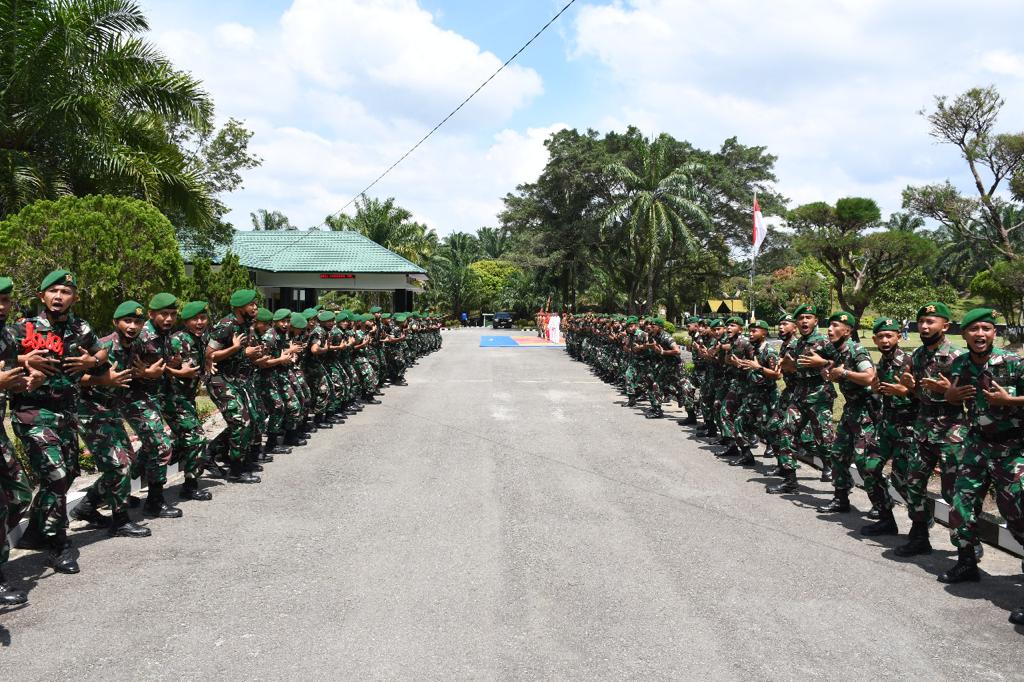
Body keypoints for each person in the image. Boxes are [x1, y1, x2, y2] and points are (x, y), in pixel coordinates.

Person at [12, 270, 105, 574]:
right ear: (41, 296)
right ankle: (57, 544)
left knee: (70, 471)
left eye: (65, 291)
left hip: (66, 412)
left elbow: (101, 350)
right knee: (56, 475)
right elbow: (5, 357)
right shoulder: (23, 329)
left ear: (73, 298)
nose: (58, 296)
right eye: (52, 291)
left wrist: (93, 361)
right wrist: (26, 362)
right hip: (33, 412)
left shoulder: (81, 327)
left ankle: (36, 532)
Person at [937, 309, 1024, 602]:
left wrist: (1009, 400)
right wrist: (949, 395)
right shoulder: (960, 363)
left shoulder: (1013, 362)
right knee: (960, 505)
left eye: (986, 328)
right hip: (976, 445)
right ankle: (966, 563)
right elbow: (951, 392)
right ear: (964, 335)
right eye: (973, 329)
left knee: (1018, 514)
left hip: (1011, 448)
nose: (980, 334)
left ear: (994, 333)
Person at [73, 301, 152, 537]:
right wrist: (103, 380)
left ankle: (86, 506)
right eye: (127, 321)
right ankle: (120, 521)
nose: (132, 326)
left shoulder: (135, 346)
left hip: (110, 410)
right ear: (115, 323)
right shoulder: (104, 346)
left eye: (137, 322)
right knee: (119, 465)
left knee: (126, 459)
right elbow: (76, 377)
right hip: (89, 411)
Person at [894, 302, 966, 557]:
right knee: (912, 483)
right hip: (923, 429)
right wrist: (909, 386)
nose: (924, 327)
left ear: (945, 325)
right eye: (921, 322)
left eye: (930, 322)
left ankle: (968, 546)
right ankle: (920, 535)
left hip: (951, 431)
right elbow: (916, 394)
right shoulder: (917, 356)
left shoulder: (959, 357)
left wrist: (946, 392)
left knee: (953, 491)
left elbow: (970, 398)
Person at [767, 304, 838, 495]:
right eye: (801, 318)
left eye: (809, 317)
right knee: (785, 430)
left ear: (816, 321)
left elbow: (840, 362)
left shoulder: (825, 342)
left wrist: (822, 363)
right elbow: (794, 367)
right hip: (799, 394)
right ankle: (790, 481)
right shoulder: (797, 344)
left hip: (820, 394)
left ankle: (832, 469)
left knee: (824, 438)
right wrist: (787, 365)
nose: (804, 321)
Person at [816, 311, 878, 515]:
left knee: (863, 460)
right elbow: (837, 372)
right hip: (850, 410)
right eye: (829, 326)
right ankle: (841, 498)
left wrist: (842, 373)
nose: (830, 330)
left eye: (835, 326)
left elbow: (869, 376)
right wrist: (830, 372)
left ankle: (880, 505)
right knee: (838, 455)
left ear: (848, 330)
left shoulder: (856, 350)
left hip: (865, 412)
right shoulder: (837, 351)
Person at [0, 277, 37, 604]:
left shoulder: (8, 335)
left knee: (20, 494)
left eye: (5, 299)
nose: (1, 306)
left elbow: (12, 375)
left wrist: (26, 380)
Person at [205, 289, 262, 484]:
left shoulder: (245, 324)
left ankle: (214, 454)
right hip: (219, 379)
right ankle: (237, 470)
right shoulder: (225, 325)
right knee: (241, 421)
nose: (255, 307)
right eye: (251, 304)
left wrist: (249, 353)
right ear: (240, 307)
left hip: (236, 379)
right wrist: (237, 349)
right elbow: (210, 354)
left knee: (249, 419)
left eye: (256, 304)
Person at [168, 301, 216, 500]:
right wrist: (179, 371)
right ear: (186, 321)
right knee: (196, 438)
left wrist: (208, 365)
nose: (199, 322)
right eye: (194, 319)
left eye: (203, 318)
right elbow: (160, 368)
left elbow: (205, 357)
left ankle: (123, 488)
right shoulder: (176, 341)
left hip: (186, 398)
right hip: (171, 398)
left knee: (169, 446)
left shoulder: (201, 339)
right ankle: (190, 485)